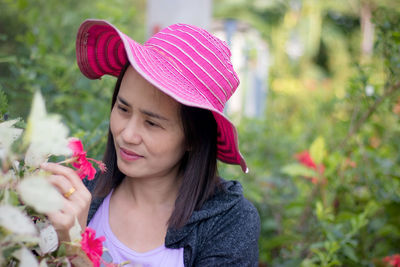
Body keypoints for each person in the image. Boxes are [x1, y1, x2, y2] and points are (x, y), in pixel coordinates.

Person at [42, 19, 260, 266]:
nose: (127, 135)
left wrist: (77, 250)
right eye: (123, 109)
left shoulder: (229, 222)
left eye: (152, 123)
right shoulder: (79, 194)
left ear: (194, 137)